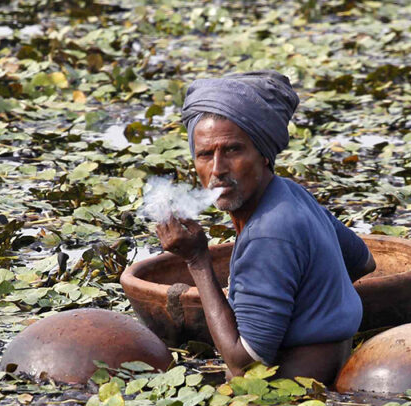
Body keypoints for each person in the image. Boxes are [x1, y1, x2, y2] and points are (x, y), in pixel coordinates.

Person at [155, 71, 376, 385]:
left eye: (232, 150)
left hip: (288, 401)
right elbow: (362, 261)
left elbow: (242, 363)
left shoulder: (268, 234)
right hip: (334, 369)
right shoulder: (291, 193)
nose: (217, 169)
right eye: (205, 154)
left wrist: (197, 260)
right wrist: (300, 307)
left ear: (264, 156)